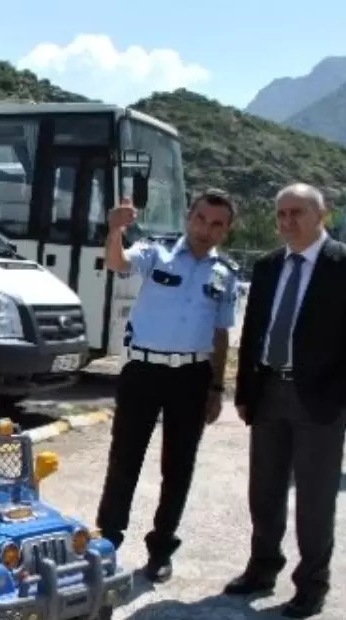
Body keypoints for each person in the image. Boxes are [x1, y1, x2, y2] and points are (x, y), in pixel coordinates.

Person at [228, 183, 346, 619]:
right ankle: (261, 568)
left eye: (297, 212)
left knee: (315, 497)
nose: (287, 221)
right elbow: (253, 331)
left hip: (321, 399)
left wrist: (342, 395)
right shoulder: (268, 266)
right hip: (270, 390)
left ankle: (312, 584)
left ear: (322, 217)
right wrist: (245, 393)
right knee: (265, 490)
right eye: (281, 214)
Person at [94, 190, 240, 584]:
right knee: (124, 458)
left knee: (178, 467)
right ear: (188, 216)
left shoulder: (225, 273)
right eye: (201, 219)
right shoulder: (155, 252)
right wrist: (115, 231)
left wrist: (215, 388)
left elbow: (221, 334)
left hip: (191, 378)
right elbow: (117, 262)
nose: (206, 230)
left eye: (217, 224)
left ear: (226, 230)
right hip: (143, 370)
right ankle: (106, 541)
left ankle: (161, 548)